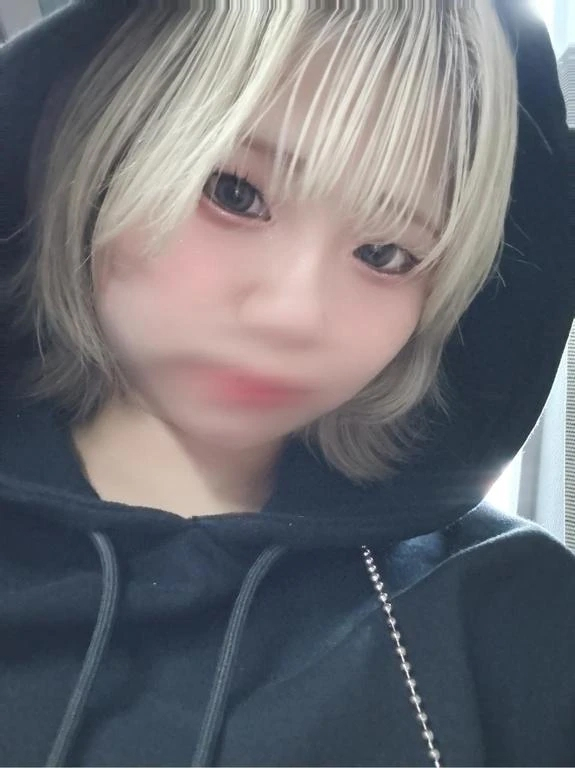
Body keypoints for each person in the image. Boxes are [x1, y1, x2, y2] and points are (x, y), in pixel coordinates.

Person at [1, 0, 574, 765]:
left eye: (385, 254)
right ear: (97, 150)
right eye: (233, 193)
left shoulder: (513, 613)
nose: (294, 315)